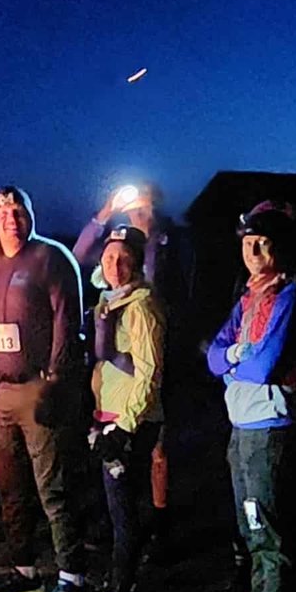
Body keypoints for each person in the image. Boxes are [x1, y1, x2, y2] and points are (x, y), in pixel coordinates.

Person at [201, 201, 296, 592]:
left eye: (263, 243)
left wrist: (234, 359)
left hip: (270, 429)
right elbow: (211, 357)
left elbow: (264, 364)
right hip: (242, 427)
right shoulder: (249, 297)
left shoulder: (289, 294)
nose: (255, 252)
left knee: (270, 538)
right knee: (251, 533)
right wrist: (236, 357)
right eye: (248, 244)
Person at [0, 186, 89, 592]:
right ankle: (24, 569)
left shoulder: (51, 258)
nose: (10, 217)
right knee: (10, 487)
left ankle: (73, 576)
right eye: (1, 210)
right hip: (2, 390)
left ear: (29, 215)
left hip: (38, 388)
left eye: (18, 209)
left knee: (52, 487)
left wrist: (56, 383)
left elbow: (66, 323)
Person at [72, 183, 192, 558]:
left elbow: (185, 292)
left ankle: (157, 525)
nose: (135, 208)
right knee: (121, 449)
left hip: (162, 346)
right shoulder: (120, 248)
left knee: (156, 446)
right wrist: (103, 214)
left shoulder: (170, 242)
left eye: (141, 201)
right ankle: (122, 524)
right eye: (130, 203)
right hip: (122, 359)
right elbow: (77, 258)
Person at [77, 226, 167, 592]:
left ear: (136, 261)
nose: (115, 265)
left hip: (129, 422)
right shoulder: (108, 304)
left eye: (123, 258)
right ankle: (122, 581)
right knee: (115, 511)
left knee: (123, 512)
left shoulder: (142, 307)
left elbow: (149, 372)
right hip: (107, 417)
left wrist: (126, 426)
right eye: (109, 257)